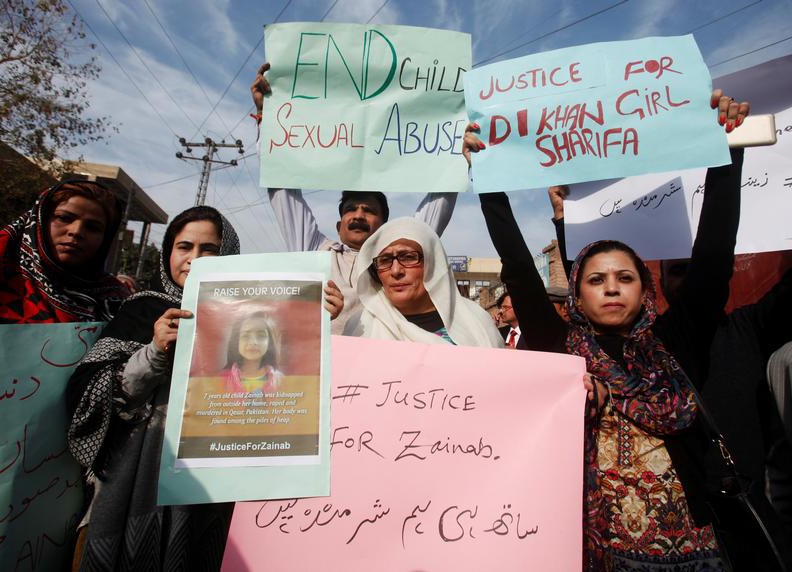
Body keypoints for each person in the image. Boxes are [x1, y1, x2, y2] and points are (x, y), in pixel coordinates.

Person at [466, 92, 789, 570]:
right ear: (578, 293)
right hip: (592, 554)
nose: (611, 288)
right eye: (596, 279)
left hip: (702, 554)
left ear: (644, 290)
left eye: (625, 278)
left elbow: (715, 253)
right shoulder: (560, 350)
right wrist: (489, 179)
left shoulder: (675, 343)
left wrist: (727, 153)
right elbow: (516, 263)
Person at [66, 205, 240, 570]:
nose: (194, 259)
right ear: (168, 253)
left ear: (228, 254)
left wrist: (318, 318)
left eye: (209, 249)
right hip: (139, 483)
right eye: (184, 247)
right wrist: (154, 352)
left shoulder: (248, 314)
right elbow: (89, 395)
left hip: (215, 484)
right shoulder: (142, 311)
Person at [251, 63, 457, 334]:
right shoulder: (316, 250)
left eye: (369, 210)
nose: (358, 215)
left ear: (384, 225)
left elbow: (432, 214)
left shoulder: (394, 261)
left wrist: (455, 158)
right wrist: (268, 118)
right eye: (351, 210)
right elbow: (282, 190)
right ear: (339, 225)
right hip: (322, 368)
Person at [344, 217, 503, 348]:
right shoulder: (359, 327)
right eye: (385, 260)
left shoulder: (476, 321)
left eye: (408, 257)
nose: (395, 271)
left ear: (432, 263)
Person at [0, 179, 130, 323]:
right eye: (64, 218)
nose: (76, 232)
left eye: (93, 227)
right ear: (40, 221)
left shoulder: (120, 304)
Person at [222, 310, 282, 395]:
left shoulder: (281, 380)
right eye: (245, 336)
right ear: (236, 341)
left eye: (261, 336)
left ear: (270, 342)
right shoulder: (220, 379)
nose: (253, 342)